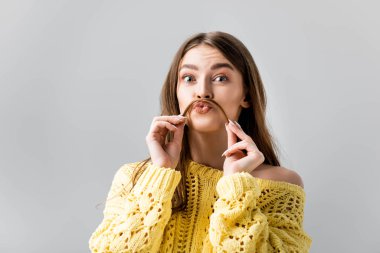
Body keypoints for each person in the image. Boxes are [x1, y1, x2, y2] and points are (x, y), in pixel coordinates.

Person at [89, 31, 313, 252]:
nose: (202, 92)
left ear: (246, 96)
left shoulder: (282, 186)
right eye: (189, 78)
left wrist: (236, 184)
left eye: (220, 78)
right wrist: (160, 174)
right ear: (176, 91)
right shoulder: (135, 178)